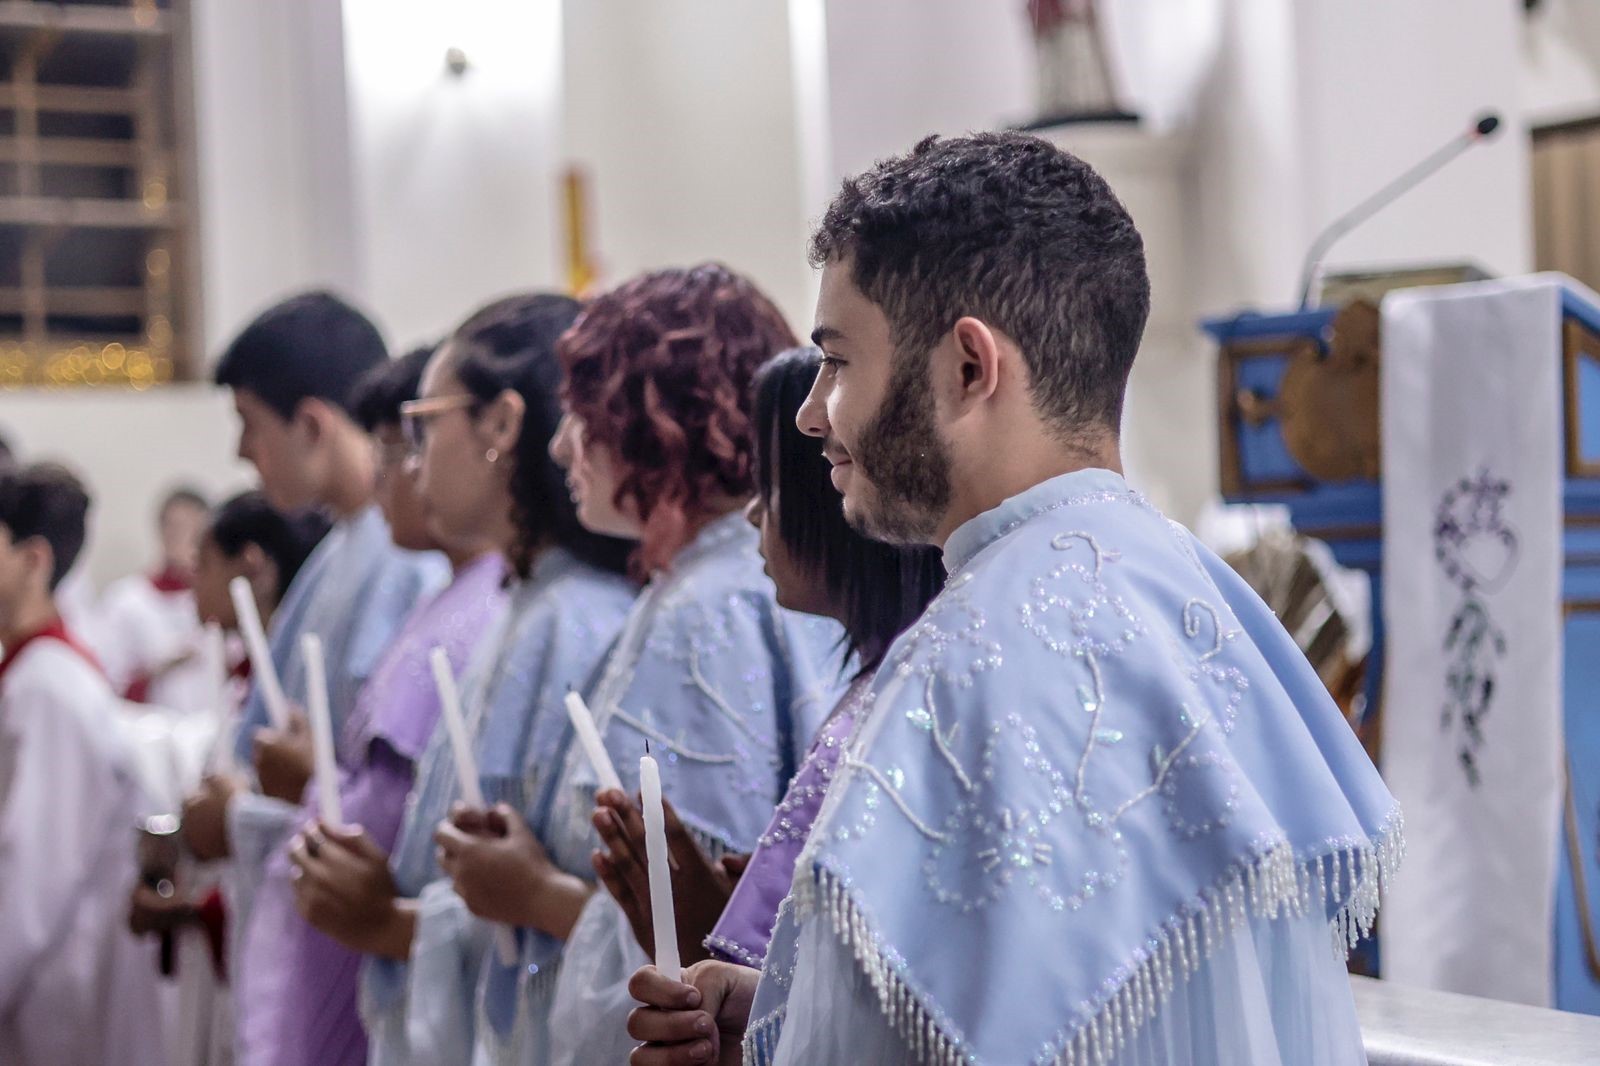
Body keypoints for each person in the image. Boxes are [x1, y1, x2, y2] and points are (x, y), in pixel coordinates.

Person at [625, 133, 1399, 1066]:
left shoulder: (962, 657)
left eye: (838, 361)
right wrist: (776, 1004)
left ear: (968, 368)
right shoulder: (1191, 589)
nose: (812, 412)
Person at [463, 266, 842, 1066]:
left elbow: (688, 932)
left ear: (663, 417)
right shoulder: (718, 582)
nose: (563, 443)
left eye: (586, 411)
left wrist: (535, 894)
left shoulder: (709, 610)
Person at [285, 294, 636, 1066]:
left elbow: (582, 906)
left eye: (424, 425)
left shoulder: (575, 619)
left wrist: (393, 922)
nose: (409, 461)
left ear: (502, 427)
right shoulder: (526, 600)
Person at [589, 346, 945, 976]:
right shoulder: (878, 686)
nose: (753, 513)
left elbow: (832, 988)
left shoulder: (890, 706)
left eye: (772, 487)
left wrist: (703, 930)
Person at [178, 291, 445, 1056]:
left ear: (312, 423)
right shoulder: (338, 548)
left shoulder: (410, 564)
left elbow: (396, 795)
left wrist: (252, 805)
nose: (240, 453)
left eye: (249, 425)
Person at [229, 346, 508, 1066]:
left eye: (413, 445)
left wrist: (313, 786)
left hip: (418, 951)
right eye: (396, 449)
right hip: (368, 954)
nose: (402, 472)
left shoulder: (493, 604)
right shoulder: (437, 588)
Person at [129, 490, 332, 1066]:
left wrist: (205, 903)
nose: (193, 583)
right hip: (226, 945)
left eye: (204, 565)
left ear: (252, 566)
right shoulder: (243, 681)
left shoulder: (290, 698)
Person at [0, 463, 164, 1066]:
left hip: (56, 989)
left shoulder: (48, 690)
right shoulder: (34, 675)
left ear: (32, 559)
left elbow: (31, 879)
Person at [96, 486, 212, 709]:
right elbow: (107, 684)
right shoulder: (124, 601)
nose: (183, 539)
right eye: (175, 528)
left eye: (193, 530)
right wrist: (162, 667)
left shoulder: (221, 605)